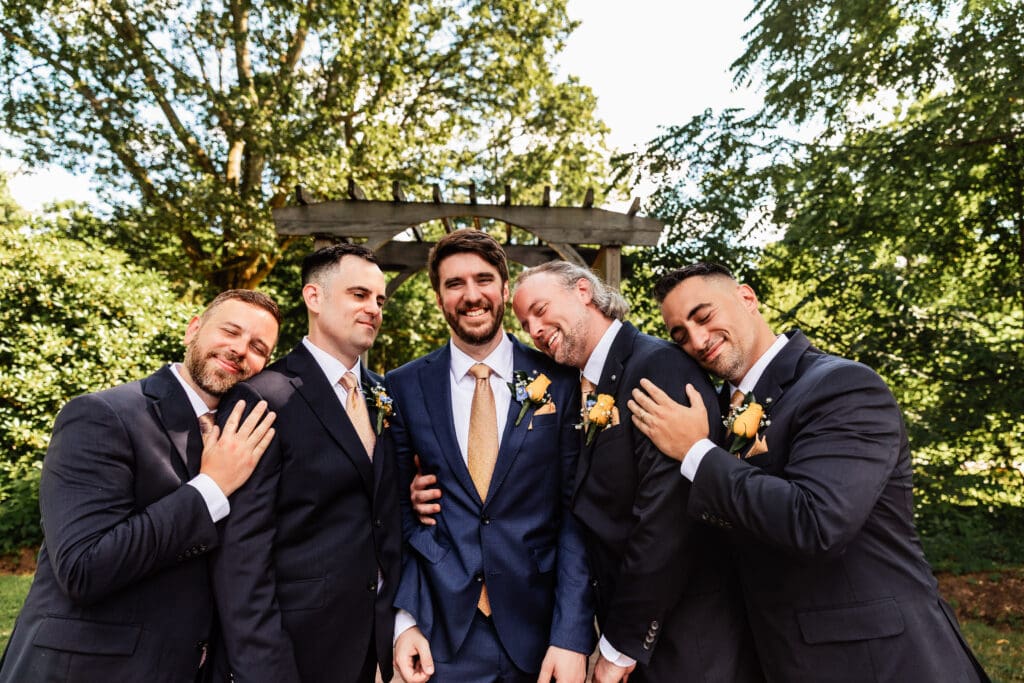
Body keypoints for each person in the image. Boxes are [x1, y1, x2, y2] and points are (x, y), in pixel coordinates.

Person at [628, 262, 991, 682]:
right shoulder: (712, 410)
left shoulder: (843, 386)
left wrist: (696, 452)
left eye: (703, 316)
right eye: (679, 336)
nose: (696, 340)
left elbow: (816, 523)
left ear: (747, 298)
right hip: (777, 656)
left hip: (882, 661)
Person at [0, 290, 281, 682]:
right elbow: (83, 567)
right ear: (193, 330)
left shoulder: (244, 438)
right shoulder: (102, 415)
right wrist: (211, 488)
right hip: (84, 669)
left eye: (258, 347)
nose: (239, 350)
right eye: (230, 332)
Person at [510, 261, 762, 683]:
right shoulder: (590, 385)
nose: (533, 329)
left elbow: (668, 517)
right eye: (524, 323)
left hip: (689, 645)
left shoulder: (656, 366)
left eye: (539, 309)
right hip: (645, 640)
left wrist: (620, 646)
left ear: (583, 293)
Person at [389, 230, 594, 683]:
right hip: (442, 633)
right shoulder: (402, 387)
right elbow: (397, 512)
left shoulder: (560, 381)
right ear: (439, 297)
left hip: (540, 630)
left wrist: (571, 634)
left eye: (483, 279)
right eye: (454, 283)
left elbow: (575, 513)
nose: (471, 295)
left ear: (504, 289)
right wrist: (405, 621)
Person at [209, 244, 401, 683]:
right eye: (359, 294)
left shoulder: (382, 393)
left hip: (373, 646)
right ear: (314, 297)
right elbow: (242, 556)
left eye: (379, 300)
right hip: (297, 648)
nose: (373, 308)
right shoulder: (263, 396)